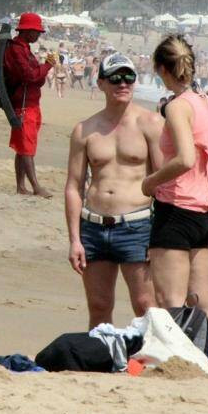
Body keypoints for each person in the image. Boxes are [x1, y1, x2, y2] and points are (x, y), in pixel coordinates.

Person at [141, 35, 208, 327]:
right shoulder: (206, 103)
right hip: (203, 212)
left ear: (162, 69)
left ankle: (177, 354)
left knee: (170, 301)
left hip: (176, 210)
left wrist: (150, 182)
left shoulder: (178, 106)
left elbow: (184, 158)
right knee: (204, 302)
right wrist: (206, 185)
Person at [65, 54, 162, 327]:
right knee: (98, 306)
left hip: (137, 226)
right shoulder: (85, 130)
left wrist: (158, 235)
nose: (123, 83)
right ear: (101, 83)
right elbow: (73, 186)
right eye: (115, 78)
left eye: (129, 77)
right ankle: (101, 353)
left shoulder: (151, 123)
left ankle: (148, 354)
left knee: (145, 305)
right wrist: (74, 239)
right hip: (94, 227)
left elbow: (164, 184)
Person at [3, 13, 53, 198]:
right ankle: (36, 187)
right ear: (28, 31)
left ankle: (21, 186)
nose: (38, 35)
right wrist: (47, 66)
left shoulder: (22, 48)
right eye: (37, 31)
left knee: (23, 147)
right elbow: (30, 76)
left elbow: (34, 76)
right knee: (27, 148)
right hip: (24, 104)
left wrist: (42, 69)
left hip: (29, 102)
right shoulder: (17, 49)